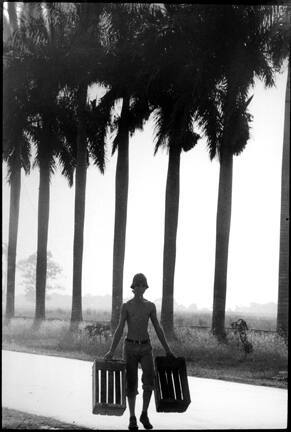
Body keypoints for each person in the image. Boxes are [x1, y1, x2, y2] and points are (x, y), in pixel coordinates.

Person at [104, 273, 175, 431]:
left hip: (145, 347)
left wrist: (168, 350)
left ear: (145, 287)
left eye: (143, 285)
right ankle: (132, 417)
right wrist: (111, 351)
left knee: (149, 381)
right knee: (131, 383)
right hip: (129, 347)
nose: (140, 288)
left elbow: (158, 328)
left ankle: (144, 413)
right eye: (137, 285)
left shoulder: (150, 306)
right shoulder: (126, 306)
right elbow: (120, 329)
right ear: (133, 287)